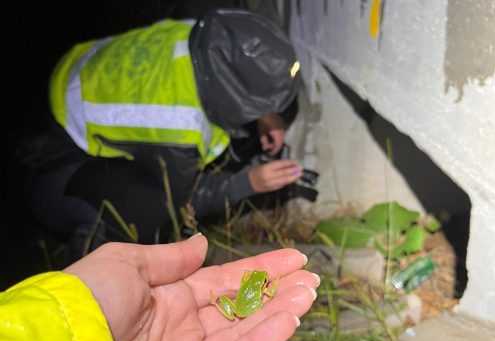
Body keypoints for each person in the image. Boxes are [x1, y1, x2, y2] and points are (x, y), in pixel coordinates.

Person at [21, 8, 303, 254]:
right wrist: (248, 183)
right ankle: (92, 281)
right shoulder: (178, 123)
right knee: (146, 212)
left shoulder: (202, 37)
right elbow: (181, 202)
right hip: (53, 166)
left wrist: (266, 116)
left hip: (64, 88)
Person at [0, 233, 319, 341]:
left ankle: (219, 304)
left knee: (233, 305)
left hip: (237, 306)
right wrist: (270, 288)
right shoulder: (262, 288)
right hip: (249, 306)